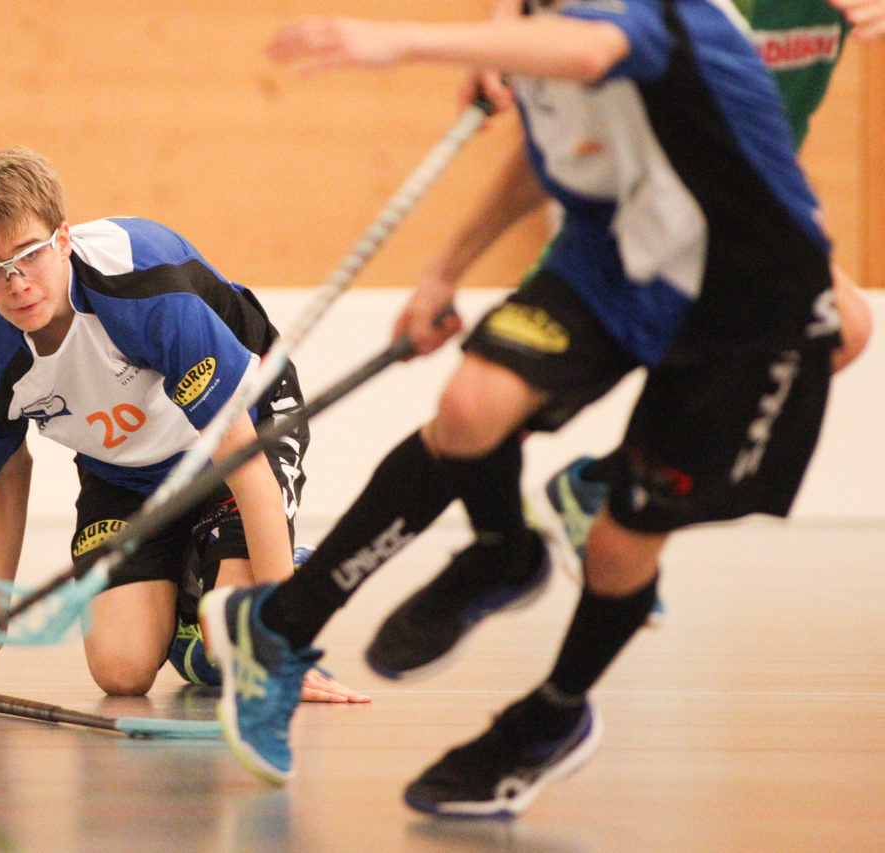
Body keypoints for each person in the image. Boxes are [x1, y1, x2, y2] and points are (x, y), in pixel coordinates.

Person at [201, 2, 840, 817]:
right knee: (471, 407)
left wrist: (401, 40)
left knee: (620, 544)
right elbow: (555, 150)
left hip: (746, 296)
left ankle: (548, 720)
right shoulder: (530, 19)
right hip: (615, 253)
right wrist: (446, 268)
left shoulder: (642, 17)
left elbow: (592, 52)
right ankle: (470, 562)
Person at [0, 147, 367, 704]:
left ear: (63, 238)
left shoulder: (144, 286)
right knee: (120, 673)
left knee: (243, 648)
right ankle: (199, 594)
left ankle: (267, 577)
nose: (16, 281)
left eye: (30, 253)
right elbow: (1, 480)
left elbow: (243, 463)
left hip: (239, 434)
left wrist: (282, 645)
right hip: (123, 472)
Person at [544, 0, 881, 605]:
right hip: (643, 212)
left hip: (743, 220)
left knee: (843, 327)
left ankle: (603, 484)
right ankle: (490, 539)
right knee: (516, 406)